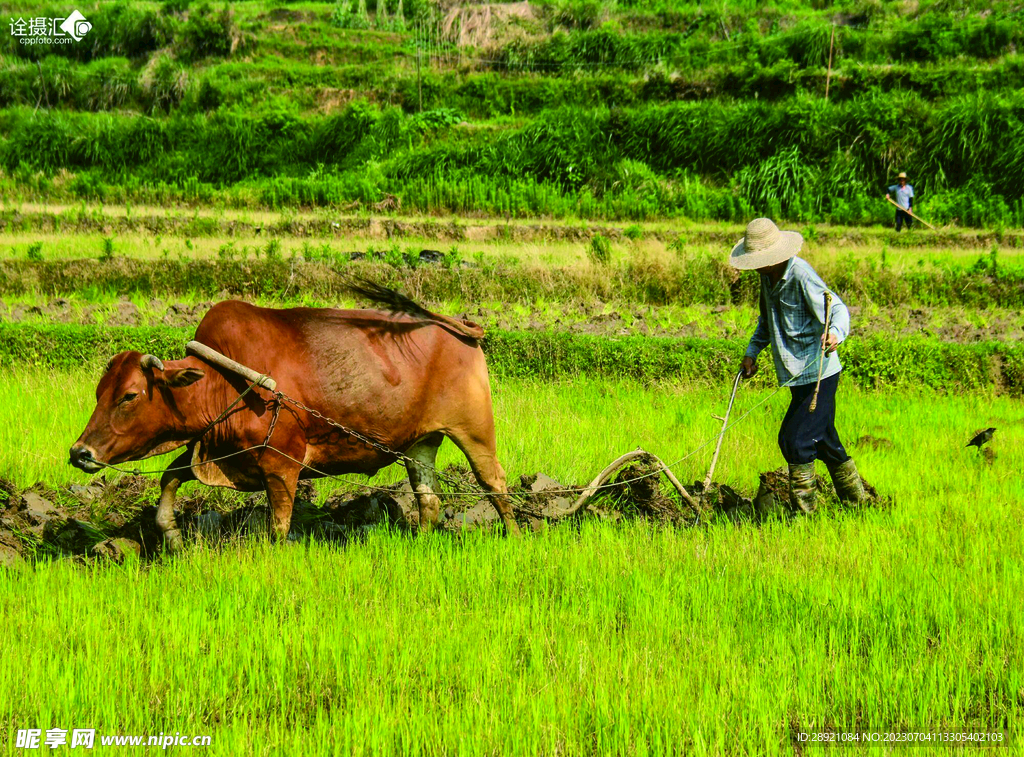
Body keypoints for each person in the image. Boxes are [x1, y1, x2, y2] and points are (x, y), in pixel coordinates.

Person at [730, 217, 869, 513]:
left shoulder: (801, 275)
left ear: (771, 258)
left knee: (794, 439)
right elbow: (766, 322)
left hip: (818, 374)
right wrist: (752, 353)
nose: (755, 266)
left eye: (758, 260)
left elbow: (838, 308)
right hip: (796, 377)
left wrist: (835, 333)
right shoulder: (766, 280)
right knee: (825, 441)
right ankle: (859, 503)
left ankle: (806, 514)